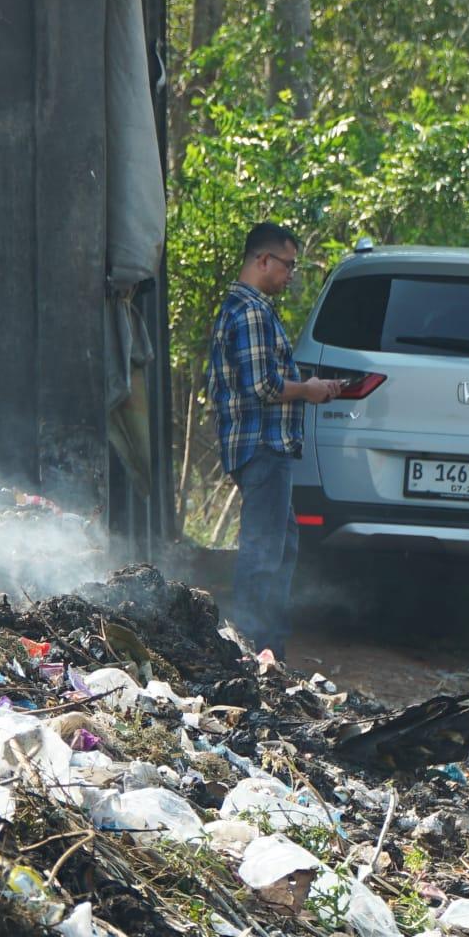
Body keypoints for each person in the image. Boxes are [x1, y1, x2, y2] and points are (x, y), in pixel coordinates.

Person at [206, 222, 342, 659]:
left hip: (267, 445)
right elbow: (263, 386)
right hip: (261, 445)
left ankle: (269, 650)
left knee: (281, 547)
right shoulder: (250, 312)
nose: (290, 275)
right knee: (264, 553)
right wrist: (309, 389)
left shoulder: (249, 308)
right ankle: (247, 650)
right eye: (288, 265)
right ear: (263, 260)